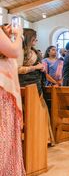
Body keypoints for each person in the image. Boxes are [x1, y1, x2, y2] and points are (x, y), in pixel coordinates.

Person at [0, 24, 26, 175]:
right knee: (4, 137)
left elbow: (18, 59)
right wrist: (20, 33)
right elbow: (15, 51)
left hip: (7, 96)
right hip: (3, 95)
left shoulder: (7, 58)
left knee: (9, 136)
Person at [18, 28, 45, 94]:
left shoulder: (35, 51)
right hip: (25, 85)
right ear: (28, 38)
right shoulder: (20, 51)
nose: (36, 39)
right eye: (34, 37)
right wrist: (35, 67)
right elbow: (17, 70)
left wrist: (42, 68)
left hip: (37, 84)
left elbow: (39, 65)